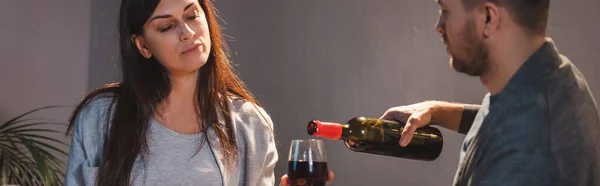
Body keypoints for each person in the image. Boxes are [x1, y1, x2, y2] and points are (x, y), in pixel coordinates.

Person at [380, 0, 600, 185]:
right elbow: (502, 117)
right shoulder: (552, 77)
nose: (439, 25)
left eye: (445, 10)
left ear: (488, 18)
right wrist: (437, 112)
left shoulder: (527, 158)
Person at [65, 0, 279, 185]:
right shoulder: (100, 117)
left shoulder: (251, 125)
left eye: (192, 15)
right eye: (167, 26)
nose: (187, 33)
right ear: (143, 45)